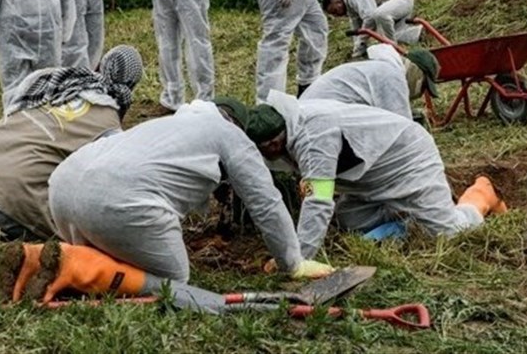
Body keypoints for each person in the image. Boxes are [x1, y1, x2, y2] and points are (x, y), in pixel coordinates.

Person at [47, 97, 335, 283]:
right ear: (236, 123)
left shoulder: (167, 124)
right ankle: (81, 272)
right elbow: (266, 202)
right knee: (175, 280)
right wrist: (292, 262)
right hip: (115, 200)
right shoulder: (228, 134)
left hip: (60, 189)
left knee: (113, 244)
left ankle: (64, 258)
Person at [247, 90, 507, 260]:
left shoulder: (314, 137)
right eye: (263, 148)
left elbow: (319, 199)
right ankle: (407, 214)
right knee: (349, 219)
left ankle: (482, 195)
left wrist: (298, 260)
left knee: (448, 234)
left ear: (284, 133)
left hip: (407, 161)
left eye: (273, 144)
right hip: (367, 177)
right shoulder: (287, 123)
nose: (269, 151)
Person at [0, 45, 143, 241]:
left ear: (99, 66)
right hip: (10, 202)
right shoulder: (110, 127)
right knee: (86, 240)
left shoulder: (60, 83)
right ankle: (24, 249)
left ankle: (9, 233)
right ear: (130, 87)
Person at [301, 44, 441, 119]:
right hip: (318, 119)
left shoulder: (381, 69)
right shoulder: (391, 75)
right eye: (423, 87)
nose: (421, 93)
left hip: (312, 113)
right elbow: (400, 127)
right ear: (416, 74)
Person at [323, 0, 422, 58]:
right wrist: (357, 49)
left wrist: (361, 42)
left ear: (338, 2)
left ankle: (392, 51)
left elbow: (370, 17)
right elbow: (357, 28)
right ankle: (421, 33)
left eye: (335, 11)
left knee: (380, 15)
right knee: (394, 34)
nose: (337, 15)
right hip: (391, 6)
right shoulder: (351, 7)